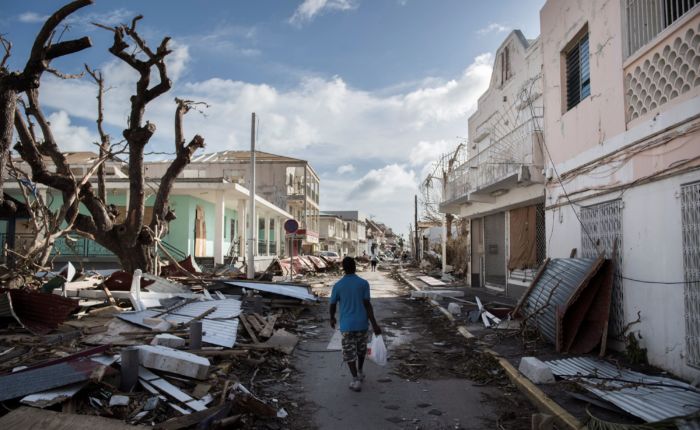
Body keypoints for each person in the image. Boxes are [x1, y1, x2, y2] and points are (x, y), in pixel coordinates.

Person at [330, 257, 381, 392]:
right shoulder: (363, 283)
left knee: (349, 352)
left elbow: (332, 304)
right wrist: (374, 324)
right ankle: (360, 370)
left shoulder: (338, 285)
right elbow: (367, 305)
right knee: (361, 350)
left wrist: (332, 318)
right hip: (362, 324)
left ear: (343, 268)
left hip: (347, 326)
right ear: (355, 267)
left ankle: (355, 379)